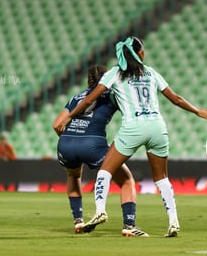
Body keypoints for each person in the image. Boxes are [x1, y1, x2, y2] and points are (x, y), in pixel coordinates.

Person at [55, 37, 207, 237]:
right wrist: (197, 110)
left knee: (105, 171)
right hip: (157, 127)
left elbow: (88, 100)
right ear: (140, 54)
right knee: (162, 178)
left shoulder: (115, 73)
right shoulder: (151, 72)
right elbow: (176, 99)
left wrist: (69, 115)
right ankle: (173, 222)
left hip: (134, 128)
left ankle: (99, 211)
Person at [53, 64, 148, 237]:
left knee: (73, 176)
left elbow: (56, 125)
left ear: (88, 79)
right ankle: (129, 225)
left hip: (66, 144)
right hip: (93, 144)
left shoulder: (76, 97)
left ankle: (78, 221)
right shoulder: (113, 95)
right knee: (126, 181)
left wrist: (73, 137)